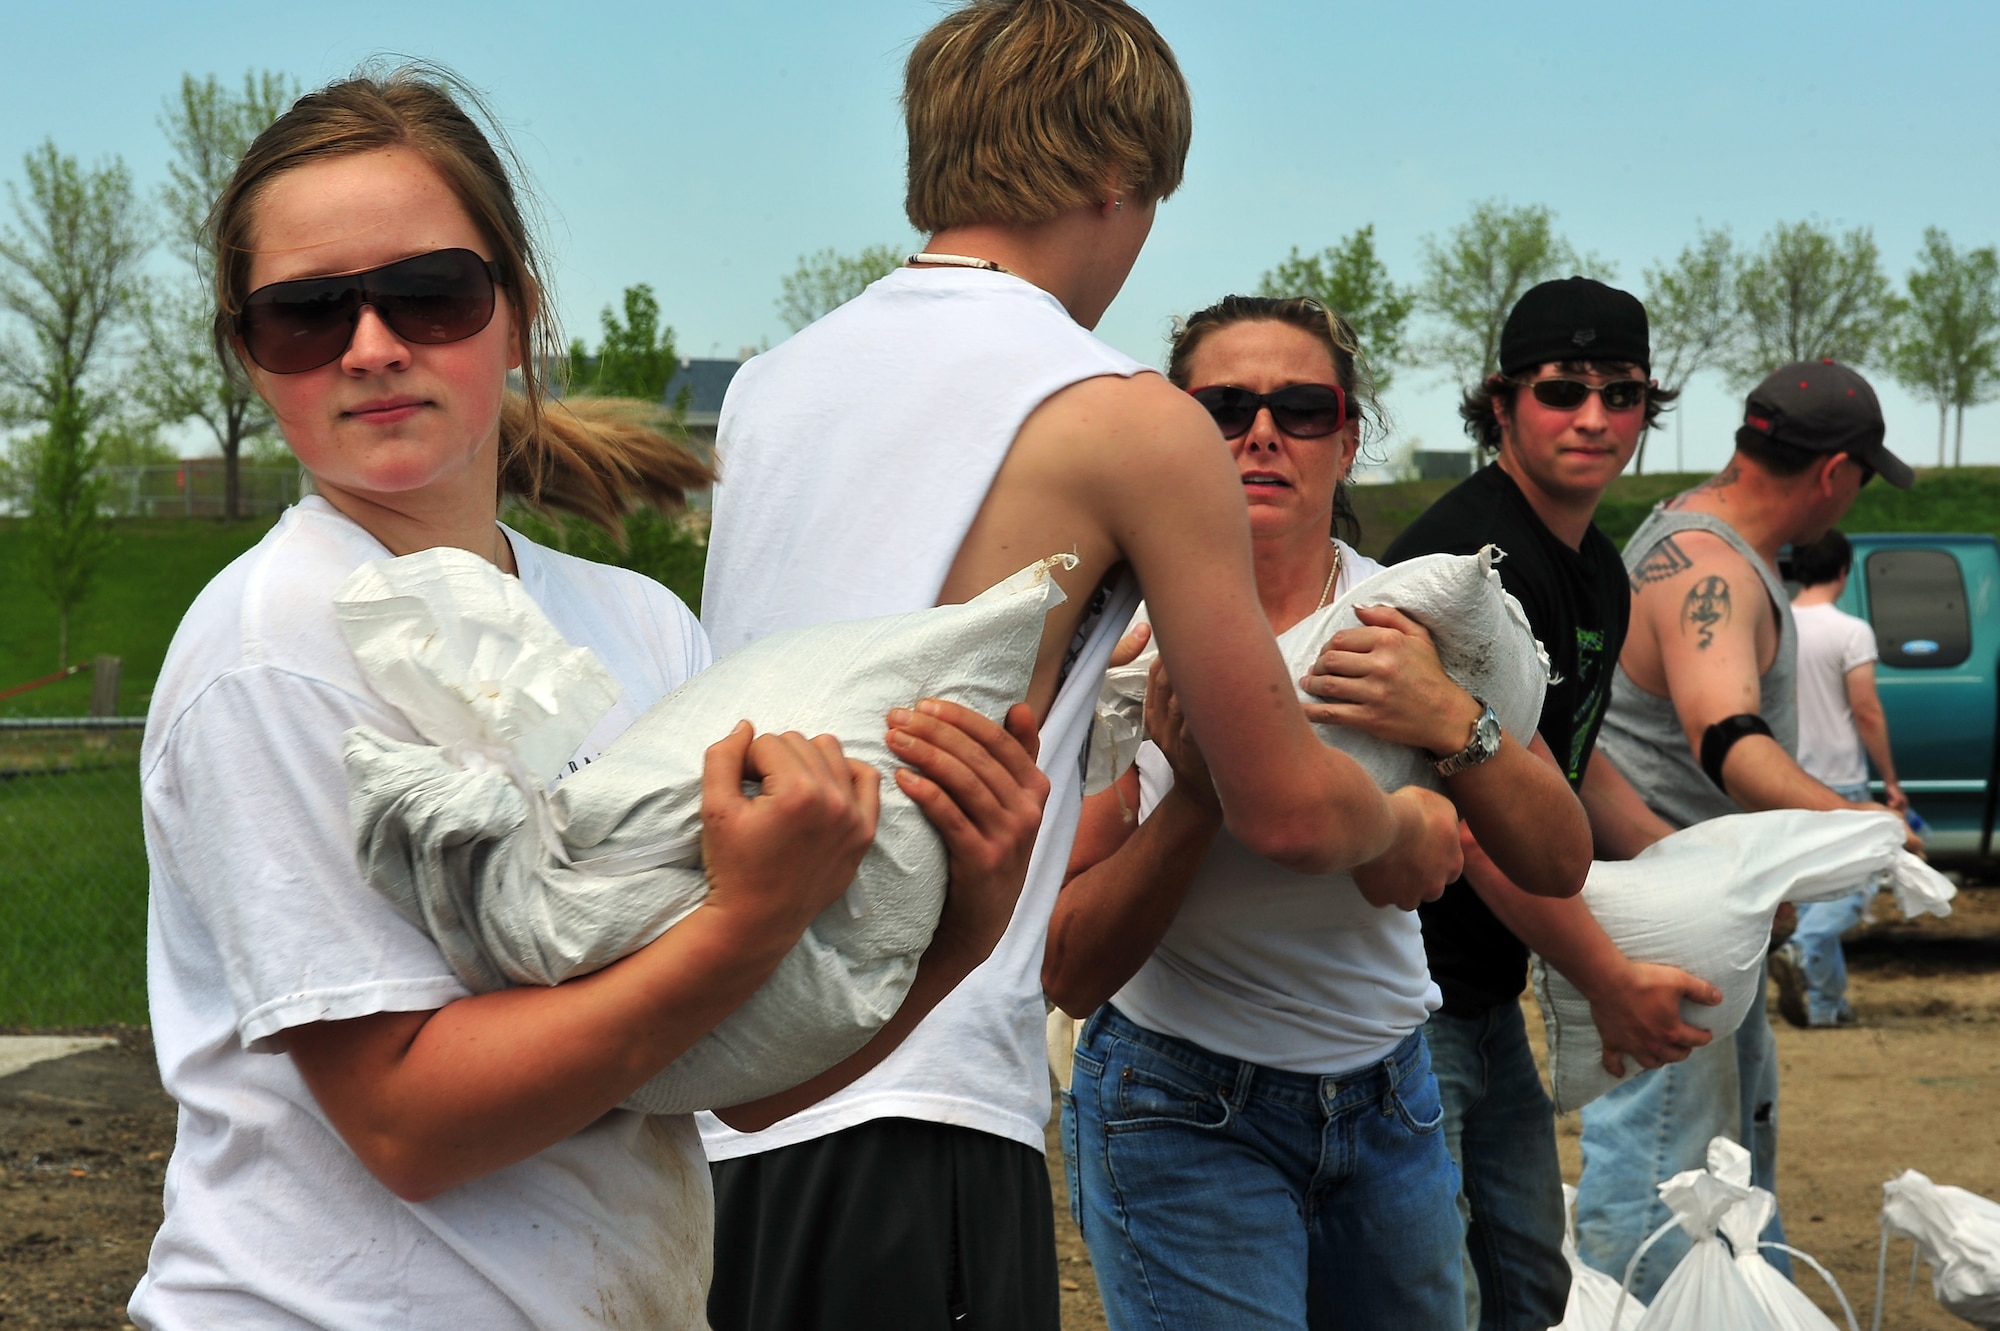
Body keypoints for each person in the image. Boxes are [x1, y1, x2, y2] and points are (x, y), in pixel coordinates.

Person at [130, 70, 1046, 1331]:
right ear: (249, 355)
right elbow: (407, 1121)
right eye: (306, 315)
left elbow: (723, 1081)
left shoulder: (636, 622)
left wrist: (957, 930)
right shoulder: (274, 641)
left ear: (516, 312)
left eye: (428, 293)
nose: (373, 345)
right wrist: (741, 924)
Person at [697, 5, 1463, 1328]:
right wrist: (1398, 812)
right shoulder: (1120, 412)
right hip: (915, 1082)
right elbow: (1278, 800)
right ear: (1117, 177)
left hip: (719, 1069)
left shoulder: (773, 385)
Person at [1045, 295, 1590, 1330]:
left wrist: (1447, 716)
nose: (1260, 431)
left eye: (1299, 407)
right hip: (1174, 1110)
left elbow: (1557, 857)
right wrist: (1193, 800)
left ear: (1345, 440)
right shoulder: (1106, 654)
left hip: (1388, 1095)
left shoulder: (1409, 617)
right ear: (1174, 432)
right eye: (1223, 406)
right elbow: (1065, 966)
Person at [1379, 276, 1728, 1331]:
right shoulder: (1469, 563)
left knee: (1527, 1284)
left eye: (1619, 393)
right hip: (1404, 993)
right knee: (1435, 1292)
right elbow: (1486, 819)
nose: (1591, 417)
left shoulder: (1593, 567)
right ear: (1500, 403)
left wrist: (1707, 877)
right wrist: (1607, 977)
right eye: (1559, 388)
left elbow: (1565, 768)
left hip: (1483, 997)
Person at [1573, 360, 1919, 1300]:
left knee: (1722, 1164)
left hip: (1689, 909)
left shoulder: (1686, 534)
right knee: (1661, 1170)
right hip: (1673, 927)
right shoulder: (1715, 567)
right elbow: (1729, 739)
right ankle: (1626, 1318)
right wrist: (1856, 824)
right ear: (1836, 472)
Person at [1769, 528, 1910, 1028]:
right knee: (1855, 888)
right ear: (1844, 571)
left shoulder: (1777, 624)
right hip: (1841, 780)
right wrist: (1890, 781)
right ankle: (1801, 952)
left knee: (1811, 894)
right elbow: (1866, 711)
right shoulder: (1851, 631)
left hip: (1785, 776)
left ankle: (1829, 1006)